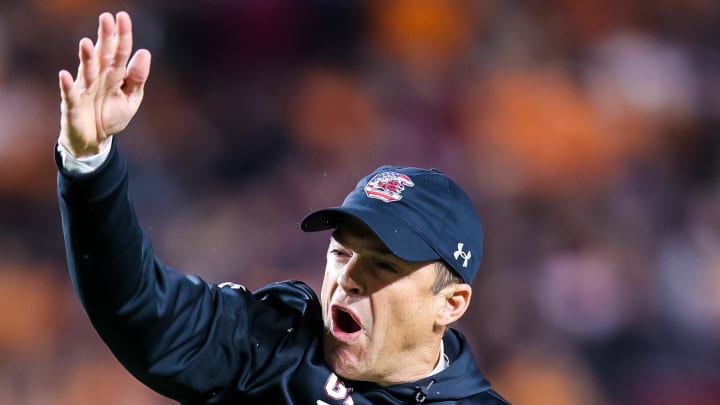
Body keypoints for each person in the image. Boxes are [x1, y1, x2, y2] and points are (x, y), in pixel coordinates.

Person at [55, 11, 509, 405]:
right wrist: (90, 166)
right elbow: (138, 308)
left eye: (384, 266)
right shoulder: (271, 341)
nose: (347, 278)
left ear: (450, 303)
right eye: (341, 253)